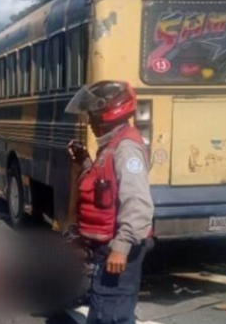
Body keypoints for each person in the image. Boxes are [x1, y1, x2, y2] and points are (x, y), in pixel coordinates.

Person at [65, 81, 154, 324]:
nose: (90, 122)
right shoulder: (111, 147)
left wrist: (121, 247)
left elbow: (138, 203)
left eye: (93, 114)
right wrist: (84, 162)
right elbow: (103, 187)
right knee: (102, 309)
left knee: (112, 314)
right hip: (104, 246)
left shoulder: (126, 149)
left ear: (109, 112)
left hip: (116, 247)